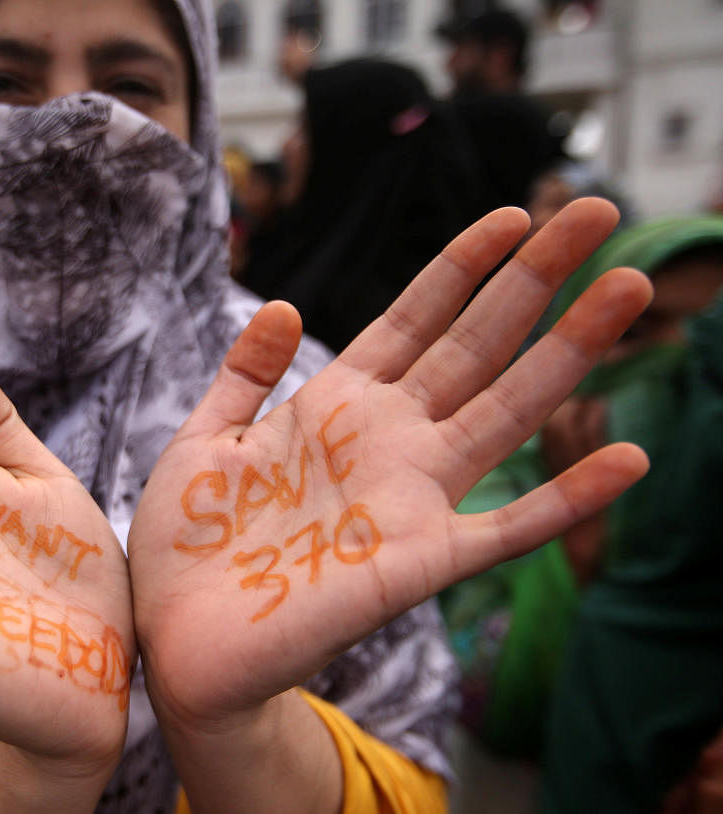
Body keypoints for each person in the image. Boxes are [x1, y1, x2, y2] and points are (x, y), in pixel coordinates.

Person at [0, 2, 652, 813]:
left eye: (132, 81)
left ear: (201, 125)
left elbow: (416, 774)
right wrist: (13, 772)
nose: (72, 118)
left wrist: (238, 731)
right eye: (1, 79)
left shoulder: (312, 421)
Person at [539, 216, 723, 814]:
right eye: (639, 330)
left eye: (706, 333)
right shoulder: (497, 496)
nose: (680, 359)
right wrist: (576, 537)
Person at [242, 58, 484, 353]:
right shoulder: (298, 249)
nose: (287, 145)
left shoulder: (374, 307)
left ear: (347, 144)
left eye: (306, 128)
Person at [435, 8, 564, 213]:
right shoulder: (542, 118)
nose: (449, 63)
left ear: (499, 54)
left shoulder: (481, 115)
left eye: (462, 49)